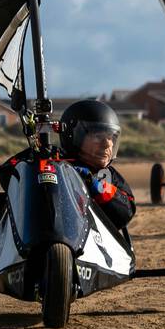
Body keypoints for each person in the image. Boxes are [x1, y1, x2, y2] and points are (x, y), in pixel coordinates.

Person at [58, 99, 136, 231]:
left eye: (110, 137)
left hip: (96, 241)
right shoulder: (55, 164)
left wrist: (95, 185)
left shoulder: (108, 174)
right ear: (75, 136)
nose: (107, 144)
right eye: (98, 136)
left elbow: (126, 212)